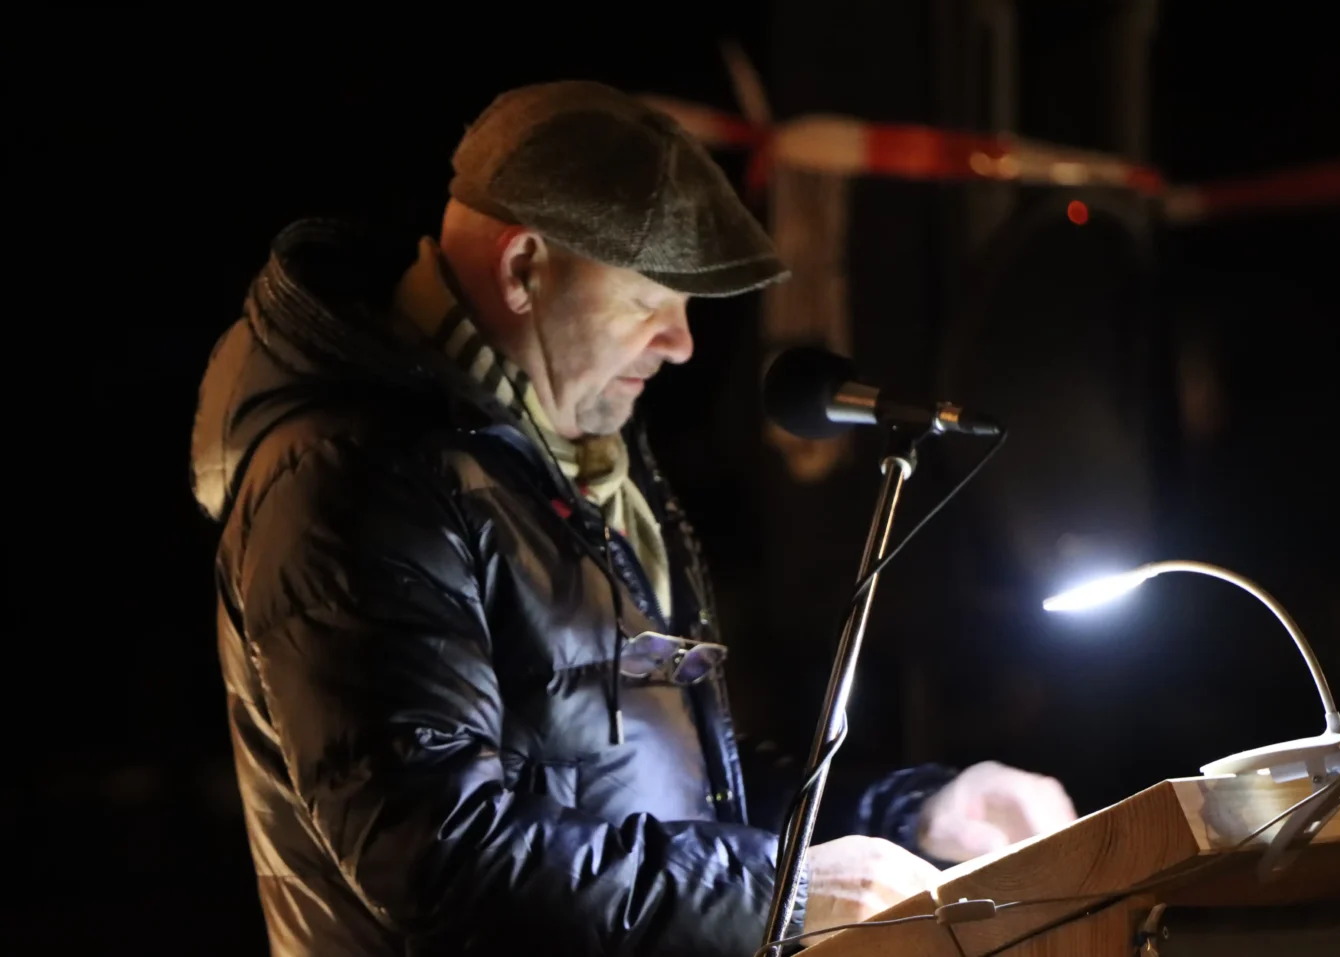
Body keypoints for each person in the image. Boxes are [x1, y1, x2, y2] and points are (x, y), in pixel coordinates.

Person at [190, 81, 1076, 956]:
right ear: (524, 267)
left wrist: (912, 808)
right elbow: (438, 854)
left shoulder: (563, 451)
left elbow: (673, 804)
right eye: (650, 303)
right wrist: (787, 892)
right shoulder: (354, 476)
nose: (682, 344)